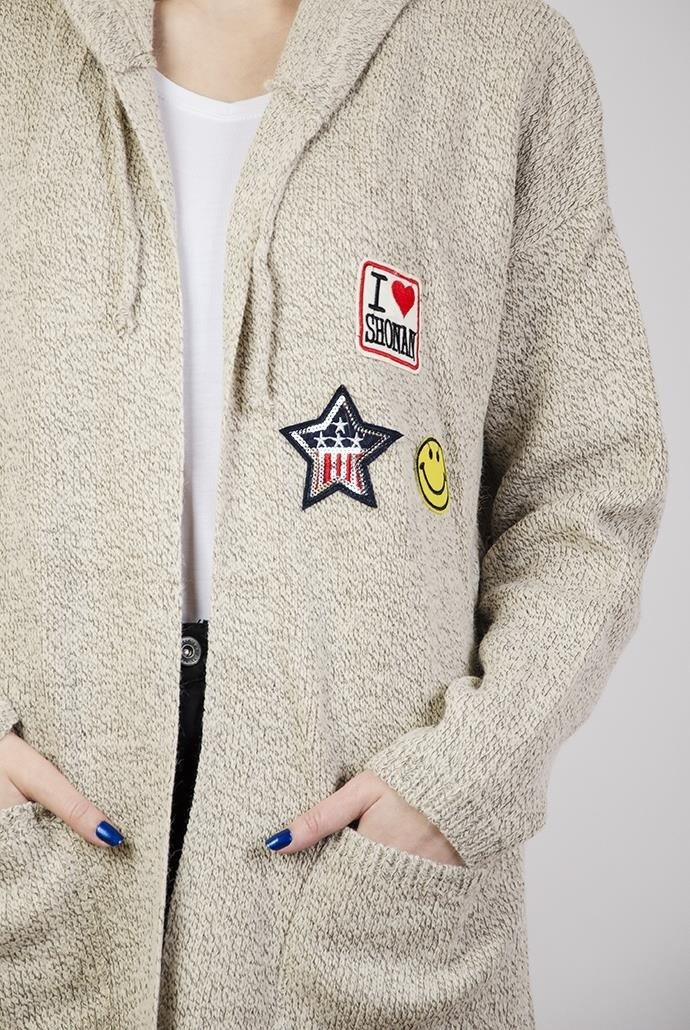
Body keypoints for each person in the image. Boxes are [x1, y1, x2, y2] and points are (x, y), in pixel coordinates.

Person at [0, 0, 668, 1026]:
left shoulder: (503, 55)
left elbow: (590, 480)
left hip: (354, 839)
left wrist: (463, 778)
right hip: (42, 814)